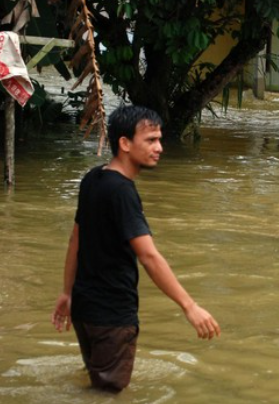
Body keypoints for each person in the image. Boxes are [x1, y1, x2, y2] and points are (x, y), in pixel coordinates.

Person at [50, 105, 221, 392]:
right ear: (125, 143)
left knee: (97, 386)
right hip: (112, 315)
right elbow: (149, 256)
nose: (160, 148)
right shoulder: (122, 192)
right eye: (151, 140)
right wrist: (190, 307)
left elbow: (75, 240)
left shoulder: (93, 179)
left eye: (159, 139)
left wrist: (67, 292)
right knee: (109, 394)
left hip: (84, 309)